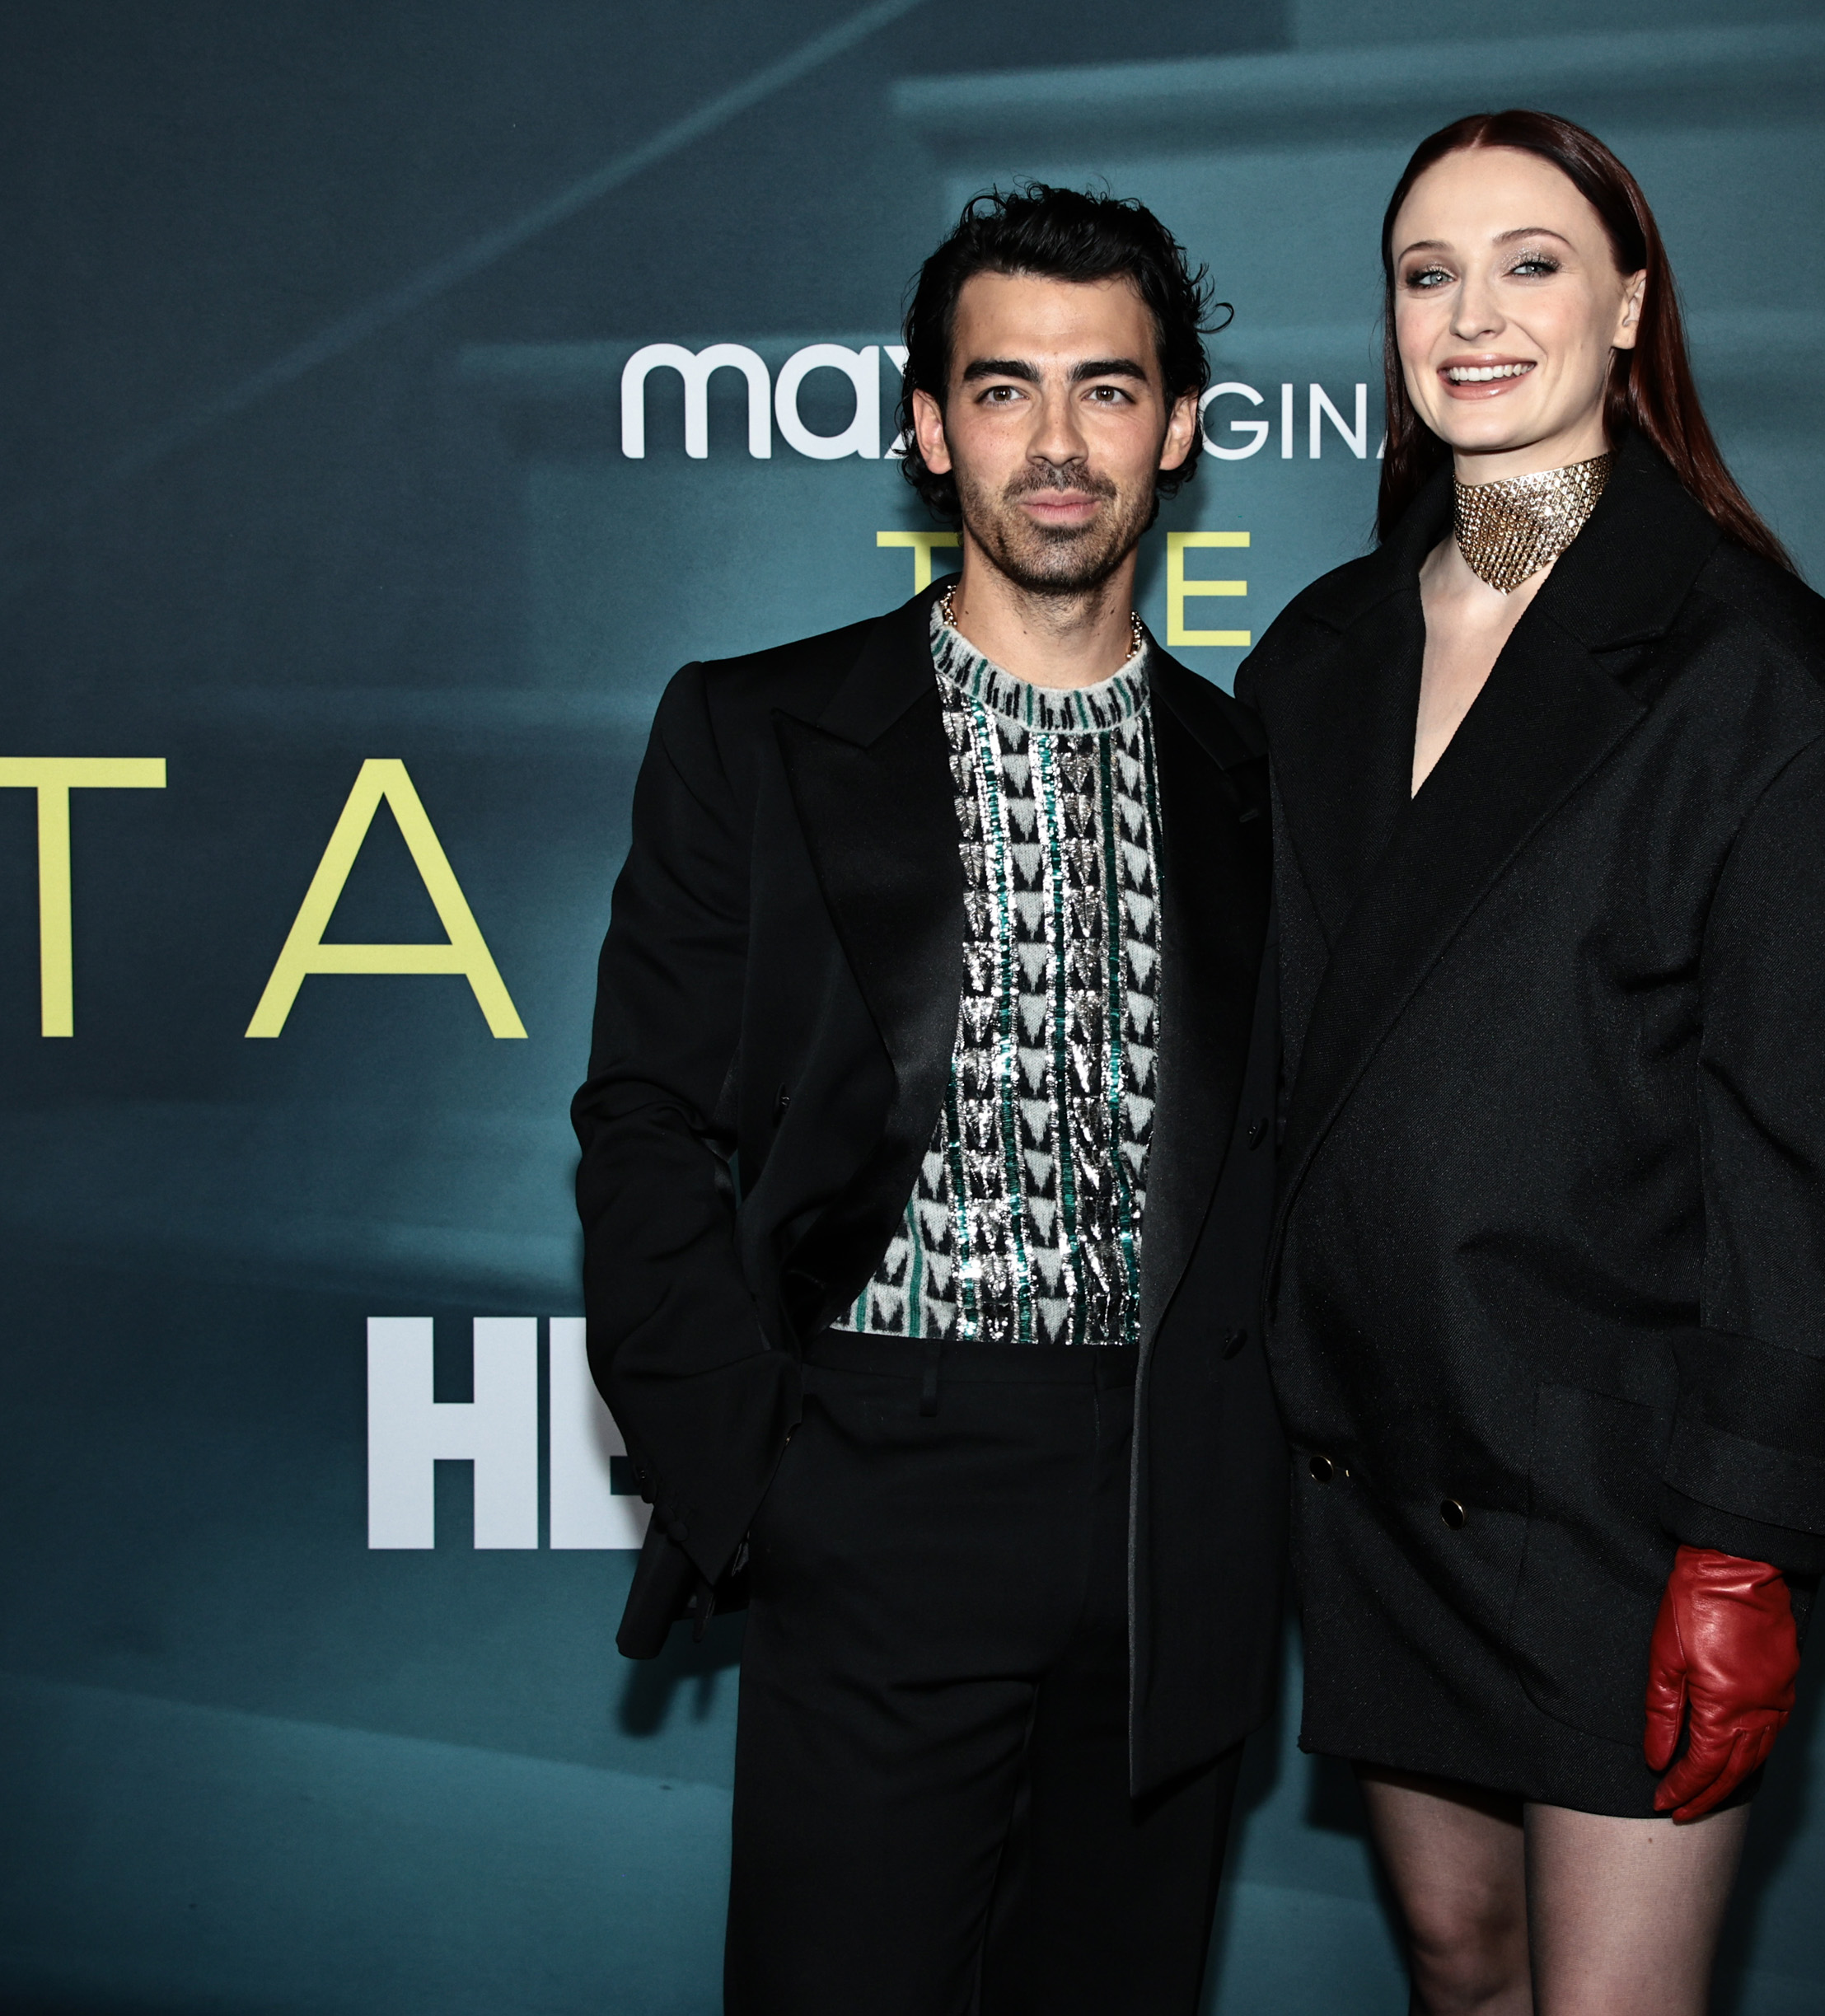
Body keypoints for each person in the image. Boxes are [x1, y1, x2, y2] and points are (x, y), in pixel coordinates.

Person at [1238, 111, 1825, 2015]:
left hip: (1626, 1497)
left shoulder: (1755, 675)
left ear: (1630, 303)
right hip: (1381, 1461)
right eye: (1426, 273)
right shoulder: (1314, 658)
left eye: (1532, 263)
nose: (1474, 316)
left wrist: (1748, 1549)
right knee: (1460, 1966)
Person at [572, 185, 1285, 2016]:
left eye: (1108, 390)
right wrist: (756, 1474)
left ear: (1183, 427)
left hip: (1171, 1514)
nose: (1057, 445)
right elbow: (648, 1116)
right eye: (1005, 389)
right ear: (927, 424)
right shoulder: (753, 731)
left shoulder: (1258, 776)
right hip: (878, 1480)